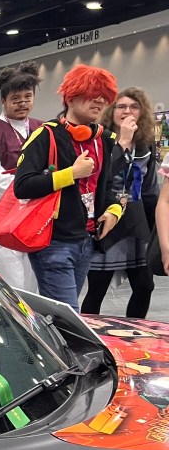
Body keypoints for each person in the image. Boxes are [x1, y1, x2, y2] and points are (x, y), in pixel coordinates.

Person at [14, 64, 123, 311]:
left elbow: (108, 186)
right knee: (68, 317)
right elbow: (22, 185)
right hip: (54, 243)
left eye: (104, 96)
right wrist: (71, 174)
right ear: (71, 97)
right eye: (92, 94)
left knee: (62, 317)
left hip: (87, 241)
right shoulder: (46, 135)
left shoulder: (104, 140)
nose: (99, 101)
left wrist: (113, 211)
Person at [81, 87, 160, 317]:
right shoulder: (100, 140)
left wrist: (157, 227)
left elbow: (149, 188)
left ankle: (133, 331)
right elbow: (100, 176)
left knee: (145, 286)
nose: (127, 111)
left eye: (134, 107)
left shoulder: (146, 143)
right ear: (111, 111)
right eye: (121, 106)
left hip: (137, 220)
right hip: (107, 218)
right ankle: (89, 335)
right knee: (97, 288)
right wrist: (123, 140)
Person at [0, 61, 43, 292]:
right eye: (16, 98)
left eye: (27, 97)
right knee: (7, 290)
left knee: (34, 288)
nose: (22, 103)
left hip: (35, 221)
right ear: (3, 100)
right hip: (0, 222)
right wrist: (36, 186)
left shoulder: (43, 128)